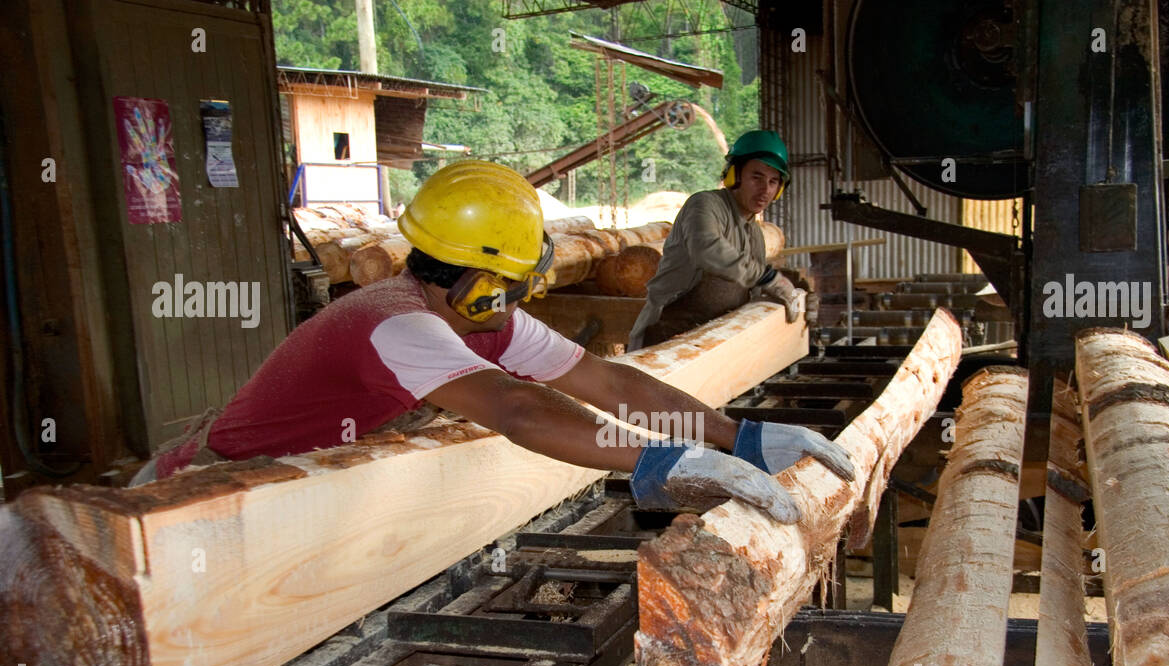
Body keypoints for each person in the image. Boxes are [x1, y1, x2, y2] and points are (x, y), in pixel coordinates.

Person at [131, 161, 852, 523]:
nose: (518, 300)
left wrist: (739, 438)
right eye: (509, 282)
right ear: (477, 278)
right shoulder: (396, 324)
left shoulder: (473, 313)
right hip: (198, 501)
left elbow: (610, 385)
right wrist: (665, 465)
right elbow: (521, 413)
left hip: (299, 477)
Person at [627, 129, 801, 350]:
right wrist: (766, 277)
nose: (765, 189)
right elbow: (706, 249)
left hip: (713, 341)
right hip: (664, 338)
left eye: (773, 181)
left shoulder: (754, 233)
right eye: (756, 177)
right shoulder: (705, 205)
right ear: (734, 176)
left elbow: (755, 292)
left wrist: (796, 301)